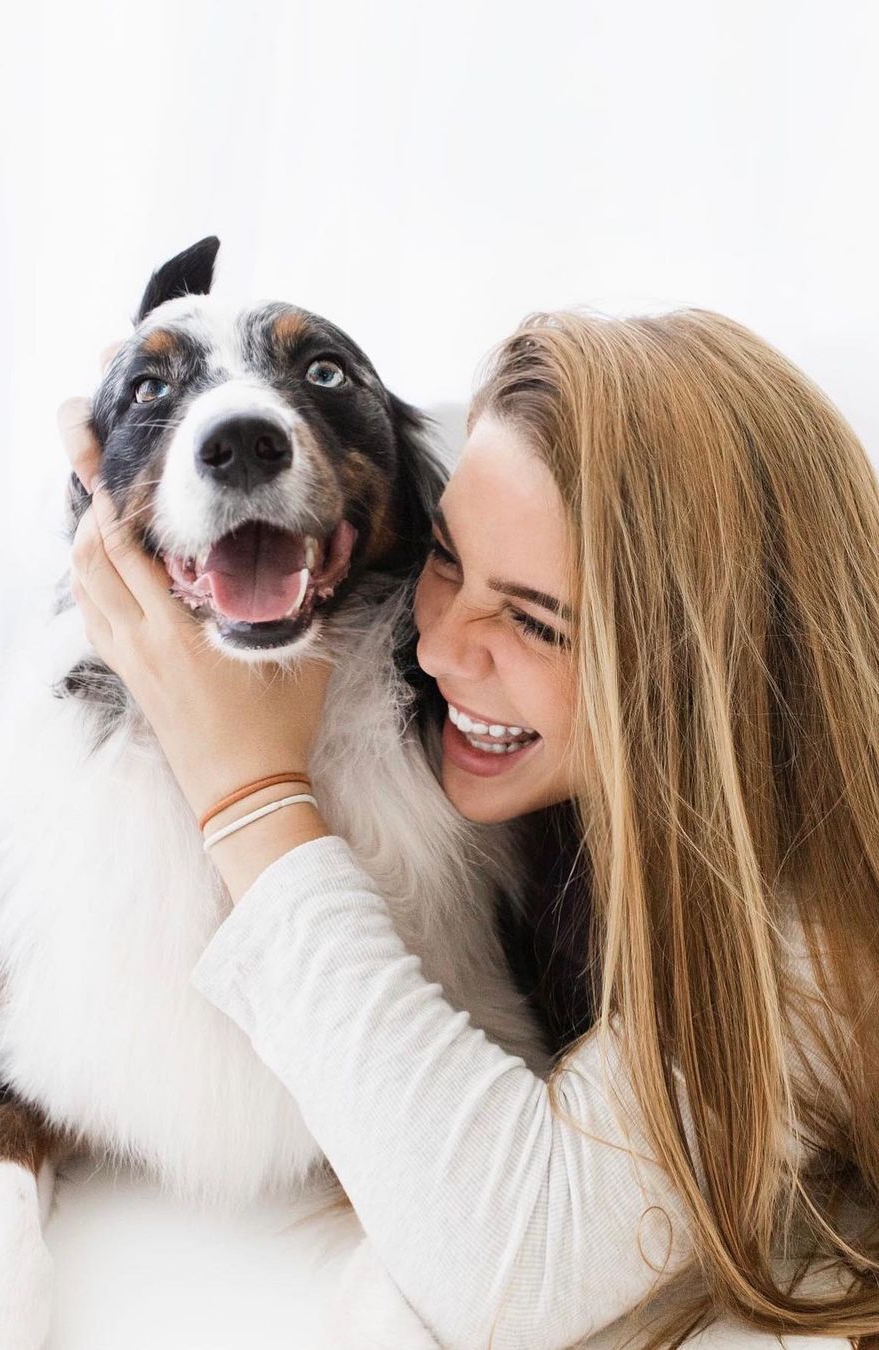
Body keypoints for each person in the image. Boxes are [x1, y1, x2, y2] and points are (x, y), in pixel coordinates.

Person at [59, 307, 879, 1349]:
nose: (436, 649)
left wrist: (248, 790)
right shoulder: (543, 728)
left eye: (535, 622)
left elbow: (510, 1269)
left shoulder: (817, 921)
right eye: (447, 557)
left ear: (713, 675)